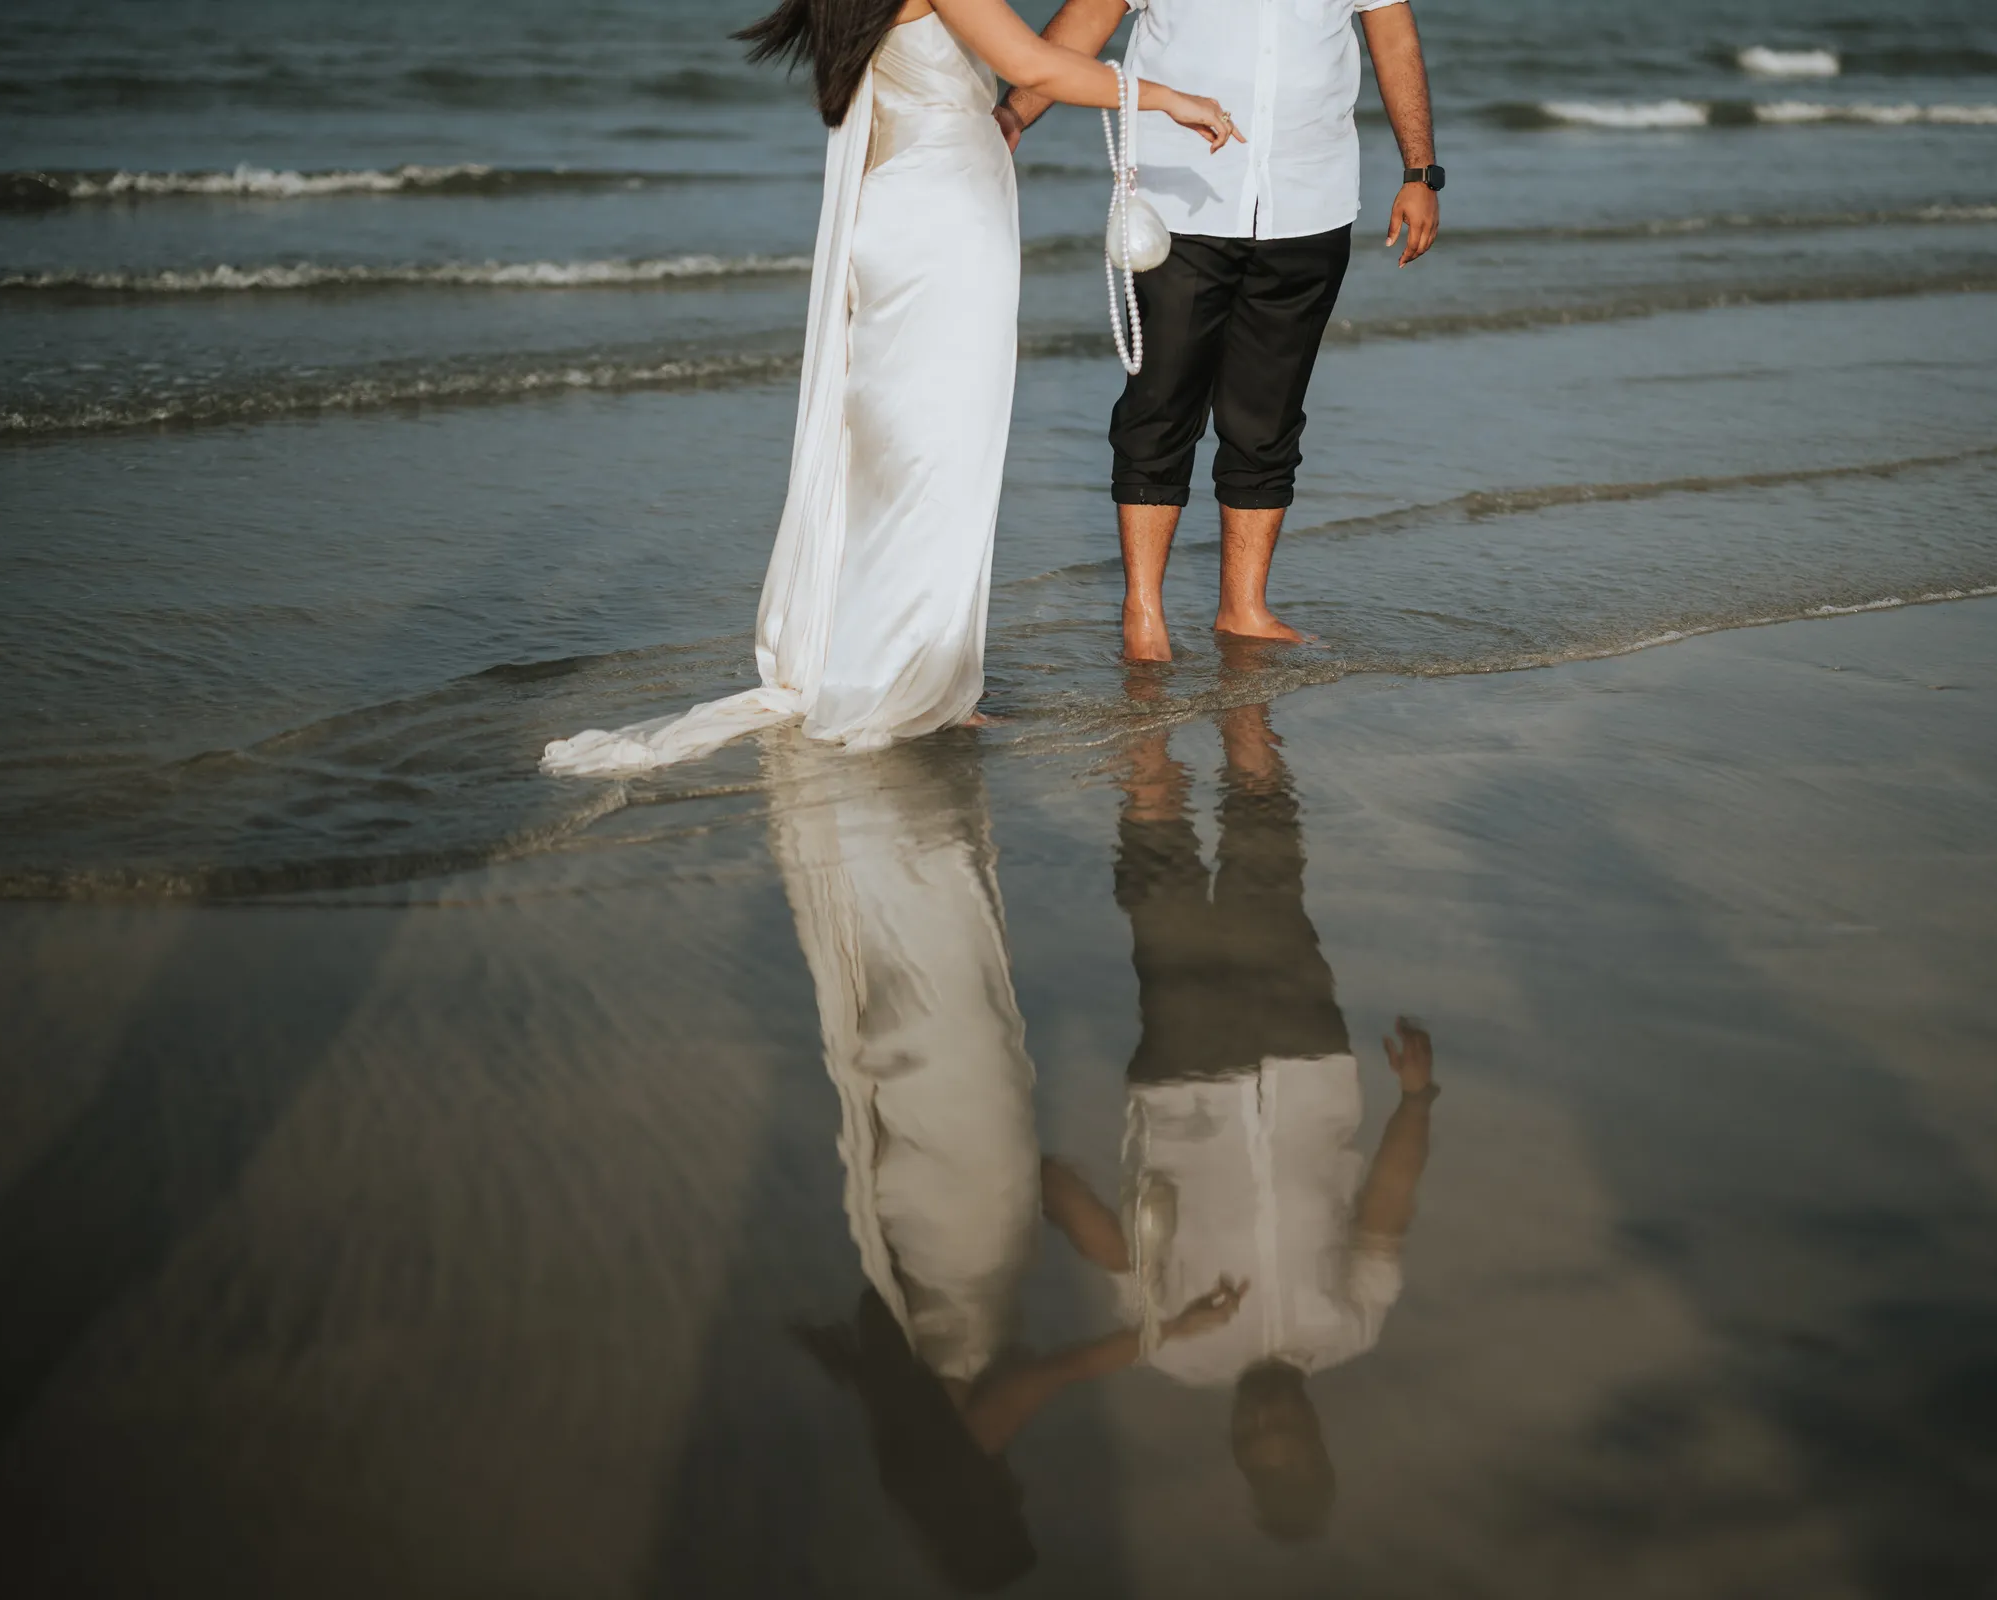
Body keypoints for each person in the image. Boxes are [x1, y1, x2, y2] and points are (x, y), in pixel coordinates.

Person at [541, 0, 1240, 775]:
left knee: (900, 450)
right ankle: (914, 683)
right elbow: (1031, 65)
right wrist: (1167, 98)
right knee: (938, 455)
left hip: (903, 208)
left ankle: (901, 665)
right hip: (944, 221)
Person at [772, 735, 1244, 1589]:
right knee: (928, 1024)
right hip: (938, 1207)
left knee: (957, 1011)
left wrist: (1164, 1332)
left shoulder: (957, 1448)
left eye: (1011, 1507)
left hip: (967, 1217)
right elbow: (1046, 1190)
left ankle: (906, 819)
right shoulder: (902, 1401)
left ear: (983, 1512)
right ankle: (890, 818)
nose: (1018, 1489)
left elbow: (1048, 1376)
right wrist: (1122, 1260)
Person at [1038, 700, 1441, 1540]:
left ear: (1235, 1445)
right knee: (1268, 863)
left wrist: (1028, 1171)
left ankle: (1145, 699)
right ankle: (1243, 692)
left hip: (1185, 1081)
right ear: (1317, 1436)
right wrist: (1415, 1102)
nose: (1266, 1423)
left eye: (1254, 1443)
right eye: (1287, 1437)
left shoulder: (1179, 1354)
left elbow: (1109, 1248)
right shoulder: (1353, 1327)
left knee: (1160, 880)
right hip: (1307, 1060)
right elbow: (1384, 1212)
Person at [998, 0, 1443, 660]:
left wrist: (1420, 171)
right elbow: (1082, 26)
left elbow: (1394, 35)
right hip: (1177, 202)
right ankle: (1143, 612)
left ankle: (1244, 609)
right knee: (1159, 406)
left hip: (1309, 199)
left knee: (1268, 417)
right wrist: (1010, 118)